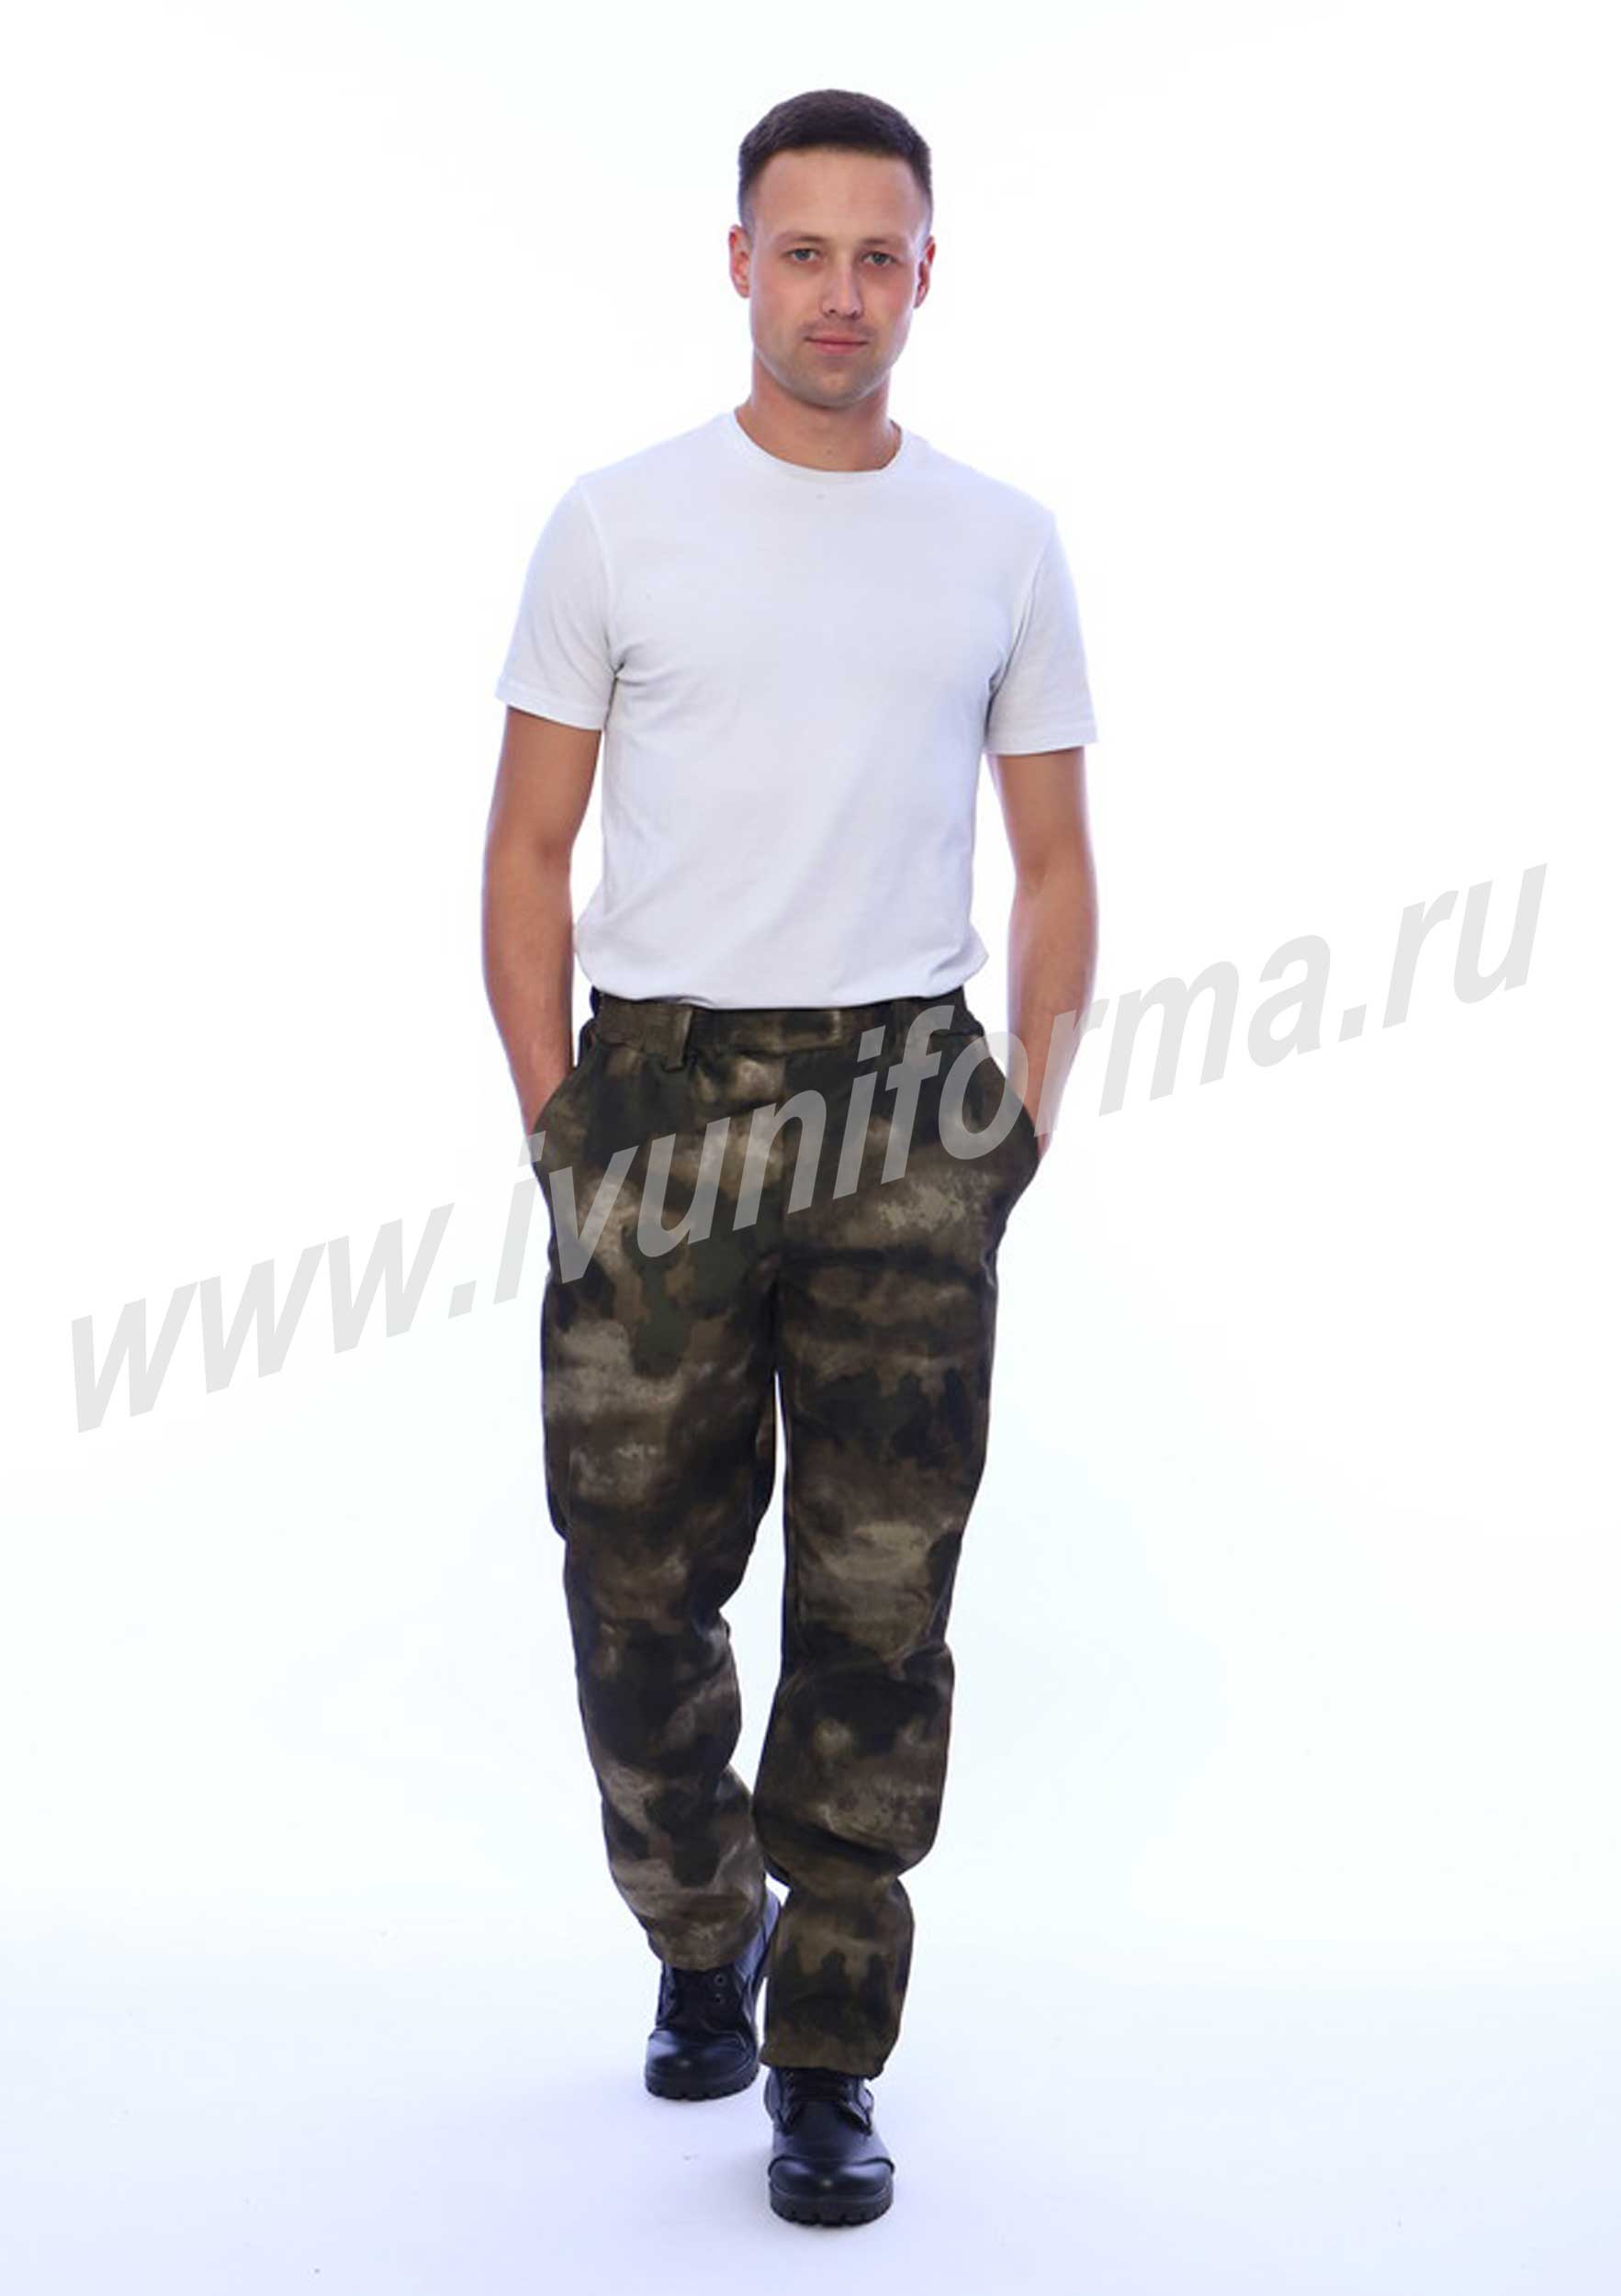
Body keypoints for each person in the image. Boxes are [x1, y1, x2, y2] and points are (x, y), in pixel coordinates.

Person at [482, 86, 1099, 2229]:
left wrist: (1016, 1121)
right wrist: (562, 1123)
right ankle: (699, 1924)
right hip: (660, 1094)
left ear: (927, 274)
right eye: (804, 249)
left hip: (907, 1099)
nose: (842, 290)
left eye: (879, 253)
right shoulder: (618, 525)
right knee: (633, 1575)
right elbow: (528, 850)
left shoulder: (999, 542)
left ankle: (828, 2045)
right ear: (738, 262)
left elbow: (1052, 858)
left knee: (877, 1598)